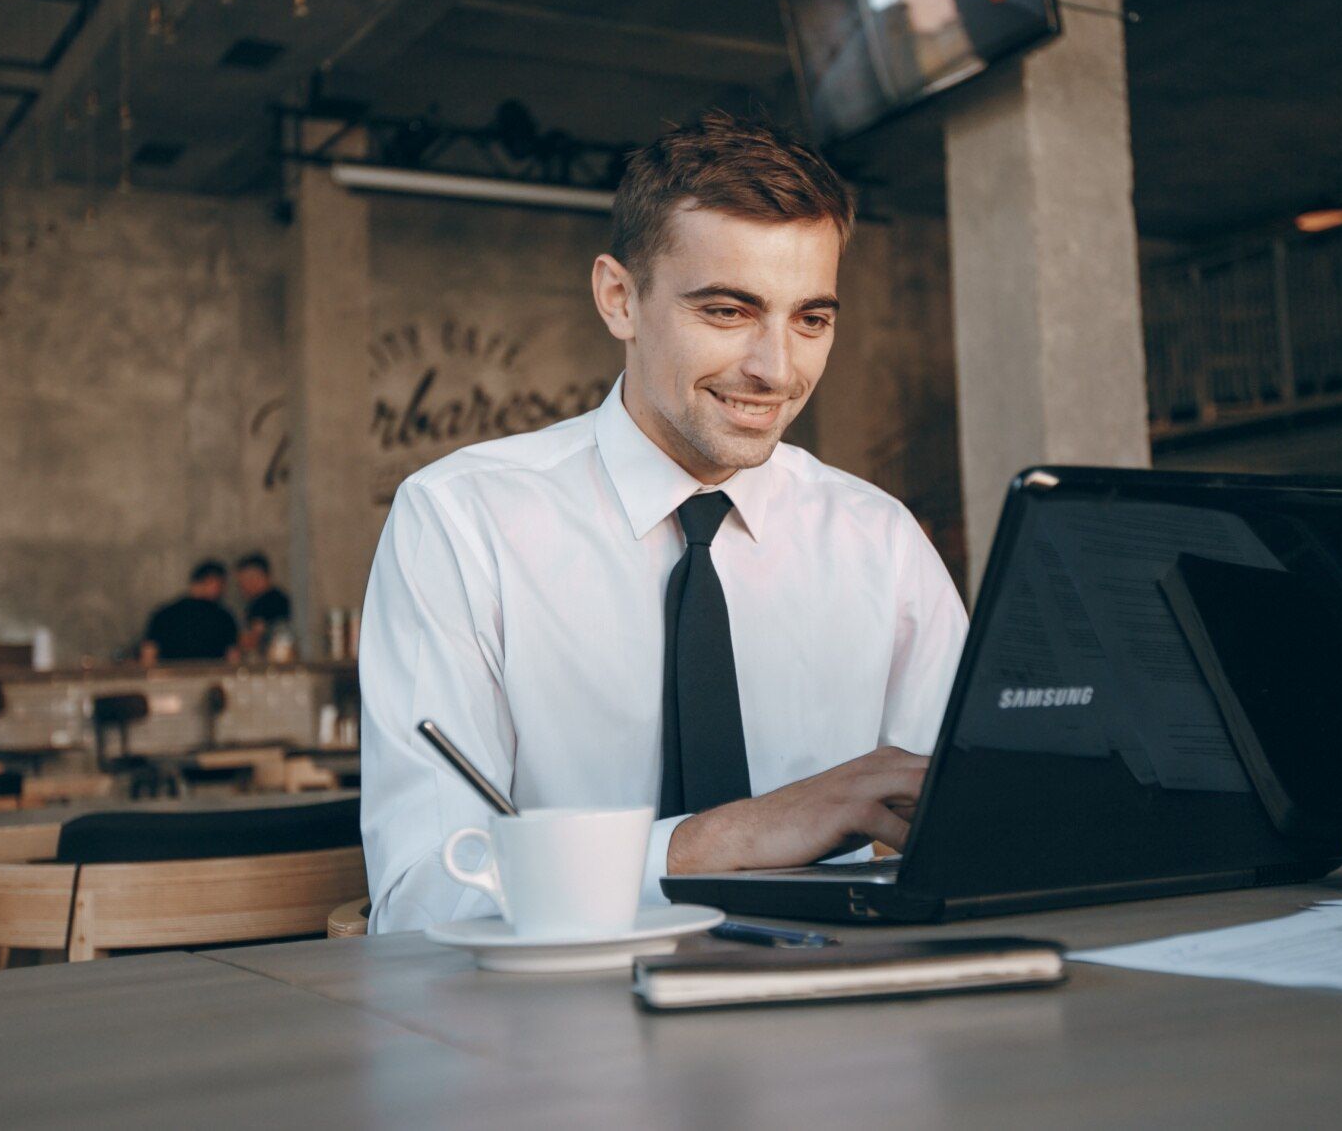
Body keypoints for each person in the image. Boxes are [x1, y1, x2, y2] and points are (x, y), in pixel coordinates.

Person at [359, 112, 968, 933]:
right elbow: (424, 896)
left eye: (811, 319)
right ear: (620, 299)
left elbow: (969, 835)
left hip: (840, 1022)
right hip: (560, 1036)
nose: (775, 369)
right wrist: (733, 838)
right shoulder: (460, 522)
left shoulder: (882, 540)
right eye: (727, 310)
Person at [138, 560, 239, 666]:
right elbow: (233, 659)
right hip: (211, 679)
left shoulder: (164, 614)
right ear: (213, 582)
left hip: (170, 679)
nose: (223, 589)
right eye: (222, 584)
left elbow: (148, 656)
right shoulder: (223, 617)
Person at [234, 552, 293, 655]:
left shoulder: (261, 604)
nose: (242, 589)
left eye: (242, 582)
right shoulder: (281, 598)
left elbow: (254, 638)